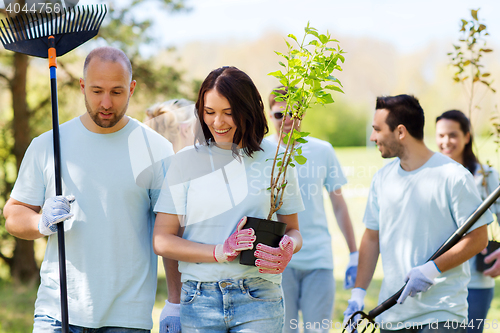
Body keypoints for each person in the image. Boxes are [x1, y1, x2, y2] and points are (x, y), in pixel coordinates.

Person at [3, 46, 174, 332]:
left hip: (127, 318)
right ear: (82, 86)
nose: (106, 102)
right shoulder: (49, 145)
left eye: (117, 92)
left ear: (132, 88)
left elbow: (169, 231)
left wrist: (175, 303)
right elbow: (13, 215)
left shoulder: (156, 150)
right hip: (57, 313)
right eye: (96, 91)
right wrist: (40, 222)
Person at [152, 66, 305, 333]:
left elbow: (293, 230)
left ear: (247, 109)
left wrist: (287, 247)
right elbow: (162, 239)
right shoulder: (185, 161)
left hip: (259, 297)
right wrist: (219, 251)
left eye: (228, 113)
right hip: (198, 301)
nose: (217, 122)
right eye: (209, 112)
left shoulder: (277, 159)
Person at [343, 95, 491, 333]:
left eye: (377, 130)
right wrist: (358, 295)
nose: (373, 137)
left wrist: (432, 268)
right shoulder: (382, 179)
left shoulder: (453, 176)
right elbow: (372, 238)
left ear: (400, 131)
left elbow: (478, 238)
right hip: (391, 316)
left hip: (442, 314)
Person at [266, 87, 358, 333]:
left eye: (291, 113)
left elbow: (339, 204)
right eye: (278, 115)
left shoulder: (322, 150)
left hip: (318, 259)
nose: (286, 121)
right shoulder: (261, 153)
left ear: (301, 114)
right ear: (269, 115)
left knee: (317, 329)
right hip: (276, 262)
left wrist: (354, 253)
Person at [435, 110, 500, 333]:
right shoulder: (431, 176)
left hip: (476, 283)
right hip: (437, 282)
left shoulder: (487, 176)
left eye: (452, 135)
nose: (446, 142)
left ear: (467, 136)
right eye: (440, 135)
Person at [144, 98, 197, 333]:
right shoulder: (179, 176)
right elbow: (172, 247)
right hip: (189, 304)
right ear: (186, 128)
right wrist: (175, 304)